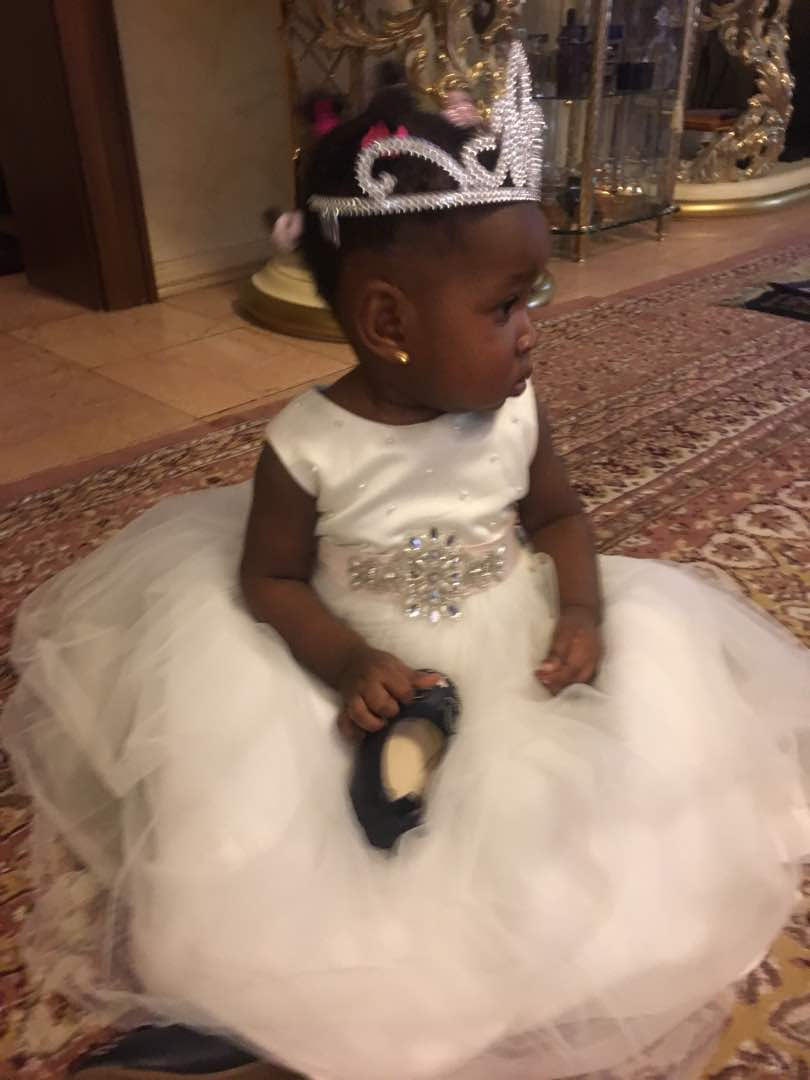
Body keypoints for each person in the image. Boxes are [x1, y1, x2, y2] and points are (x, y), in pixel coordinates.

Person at [5, 44, 810, 1080]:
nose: (531, 333)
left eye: (533, 298)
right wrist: (346, 662)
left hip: (508, 627)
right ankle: (304, 982)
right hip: (360, 652)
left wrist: (581, 611)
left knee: (603, 784)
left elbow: (561, 516)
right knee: (272, 822)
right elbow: (270, 580)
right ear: (387, 321)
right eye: (505, 307)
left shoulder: (517, 409)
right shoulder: (307, 444)